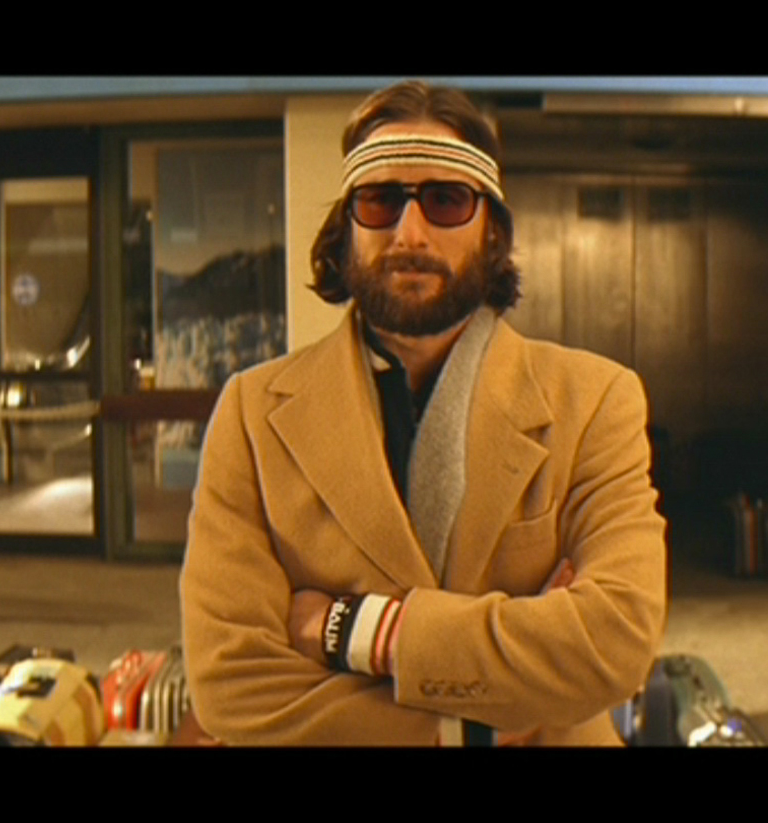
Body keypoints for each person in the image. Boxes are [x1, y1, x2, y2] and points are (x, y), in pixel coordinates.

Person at [180, 80, 667, 746]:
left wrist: (352, 630)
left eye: (446, 200)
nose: (410, 233)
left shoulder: (595, 399)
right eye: (379, 201)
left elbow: (615, 643)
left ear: (492, 232)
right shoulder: (251, 414)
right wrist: (485, 719)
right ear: (346, 229)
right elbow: (229, 686)